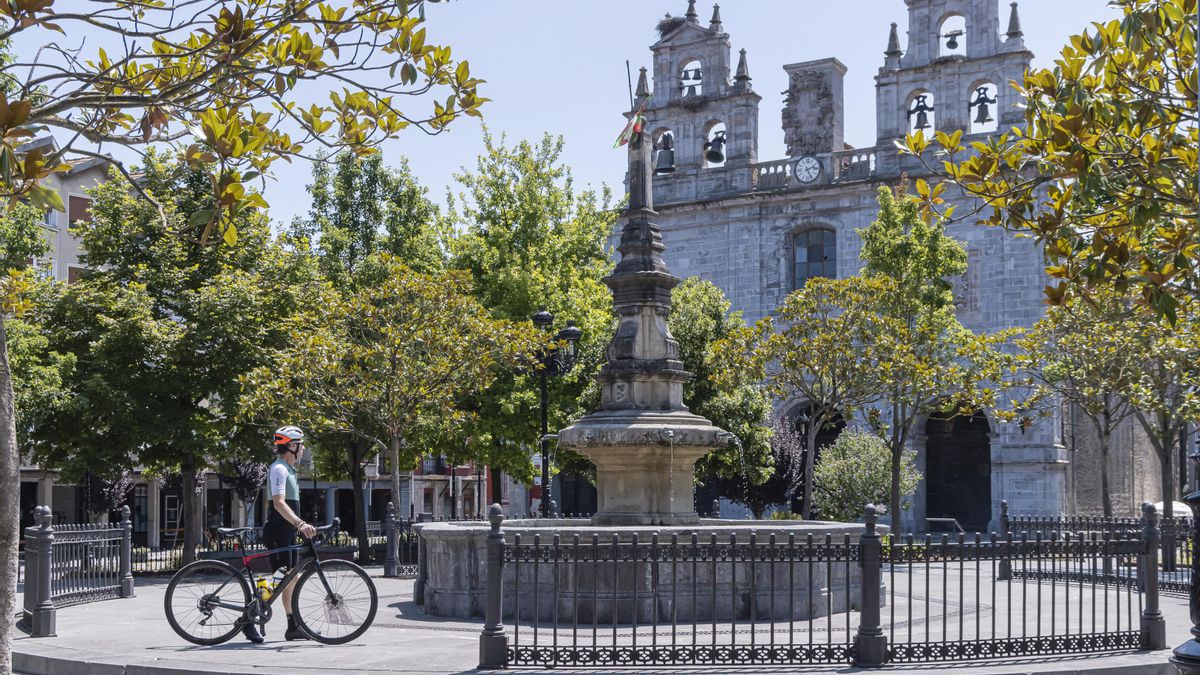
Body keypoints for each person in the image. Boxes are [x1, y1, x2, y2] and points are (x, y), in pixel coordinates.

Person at [242, 425, 317, 643]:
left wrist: (297, 526)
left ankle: (293, 627)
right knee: (281, 579)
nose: (303, 448)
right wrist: (300, 523)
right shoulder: (279, 469)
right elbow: (279, 503)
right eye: (301, 444)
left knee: (289, 579)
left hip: (286, 532)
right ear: (292, 446)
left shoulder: (289, 470)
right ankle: (246, 621)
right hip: (278, 532)